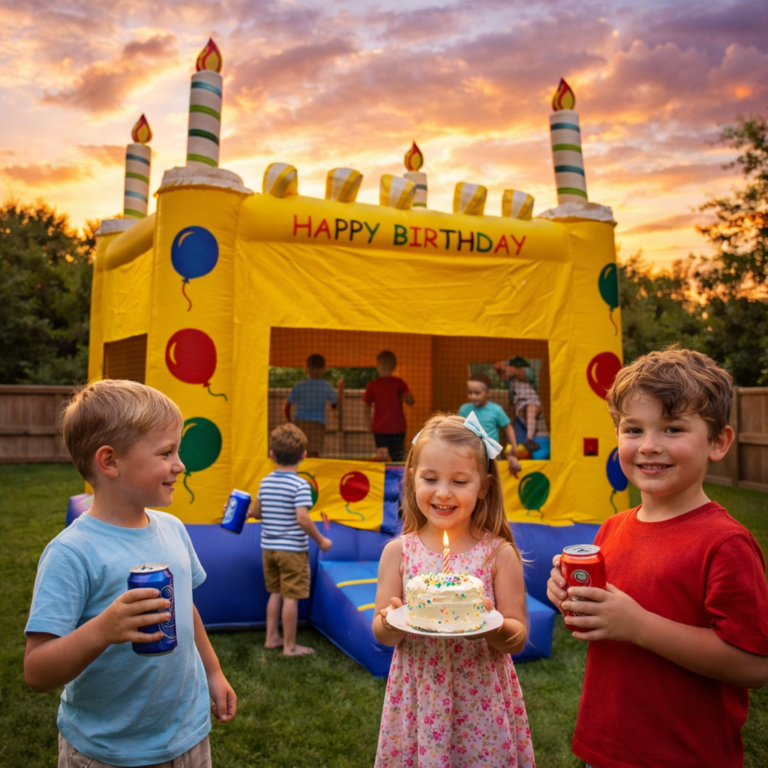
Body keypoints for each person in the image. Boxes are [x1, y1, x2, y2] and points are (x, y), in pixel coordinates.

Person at [546, 348, 768, 768]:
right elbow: (610, 613)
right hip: (606, 744)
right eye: (633, 429)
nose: (649, 446)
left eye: (672, 428)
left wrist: (639, 626)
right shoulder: (611, 528)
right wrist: (568, 596)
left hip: (684, 753)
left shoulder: (725, 544)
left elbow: (755, 665)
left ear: (717, 442)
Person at [24, 379, 236, 768]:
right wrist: (103, 629)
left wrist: (214, 671)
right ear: (110, 462)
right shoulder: (72, 553)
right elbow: (37, 671)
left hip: (186, 736)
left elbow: (184, 607)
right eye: (166, 452)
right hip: (108, 751)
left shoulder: (172, 528)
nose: (180, 464)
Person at [373, 412, 535, 767]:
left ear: (484, 487)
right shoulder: (398, 552)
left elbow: (518, 637)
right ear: (412, 480)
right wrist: (390, 621)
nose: (443, 492)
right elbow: (382, 633)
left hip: (480, 699)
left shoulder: (498, 554)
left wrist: (490, 625)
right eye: (430, 478)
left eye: (459, 481)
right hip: (418, 695)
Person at [247, 423, 333, 656]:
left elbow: (257, 513)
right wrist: (321, 540)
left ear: (271, 455)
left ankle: (272, 637)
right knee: (291, 598)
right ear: (304, 455)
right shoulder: (300, 485)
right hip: (292, 551)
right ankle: (290, 646)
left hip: (269, 549)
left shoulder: (266, 482)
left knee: (275, 593)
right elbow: (303, 518)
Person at [459, 372, 521, 478]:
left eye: (477, 393)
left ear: (488, 393)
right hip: (470, 453)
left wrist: (514, 446)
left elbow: (508, 427)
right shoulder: (464, 409)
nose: (473, 396)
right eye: (470, 392)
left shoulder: (496, 410)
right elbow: (458, 428)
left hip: (492, 454)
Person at [284, 354, 345, 457]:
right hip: (317, 424)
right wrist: (340, 390)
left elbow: (287, 407)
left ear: (306, 369)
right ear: (324, 369)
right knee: (313, 454)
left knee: (298, 453)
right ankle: (311, 473)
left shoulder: (299, 385)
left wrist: (290, 423)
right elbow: (334, 405)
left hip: (299, 424)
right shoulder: (326, 386)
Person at [362, 350, 415, 462]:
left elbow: (366, 406)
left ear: (377, 366)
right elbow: (411, 400)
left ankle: (384, 478)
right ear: (394, 366)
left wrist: (368, 424)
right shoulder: (398, 383)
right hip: (396, 428)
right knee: (397, 457)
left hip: (383, 429)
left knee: (382, 456)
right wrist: (406, 397)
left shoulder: (374, 384)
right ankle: (399, 478)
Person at [493, 355, 542, 452]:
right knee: (516, 425)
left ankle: (529, 439)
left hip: (532, 402)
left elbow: (517, 372)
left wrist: (505, 365)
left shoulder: (526, 371)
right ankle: (518, 446)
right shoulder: (510, 382)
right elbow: (497, 368)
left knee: (530, 408)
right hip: (519, 408)